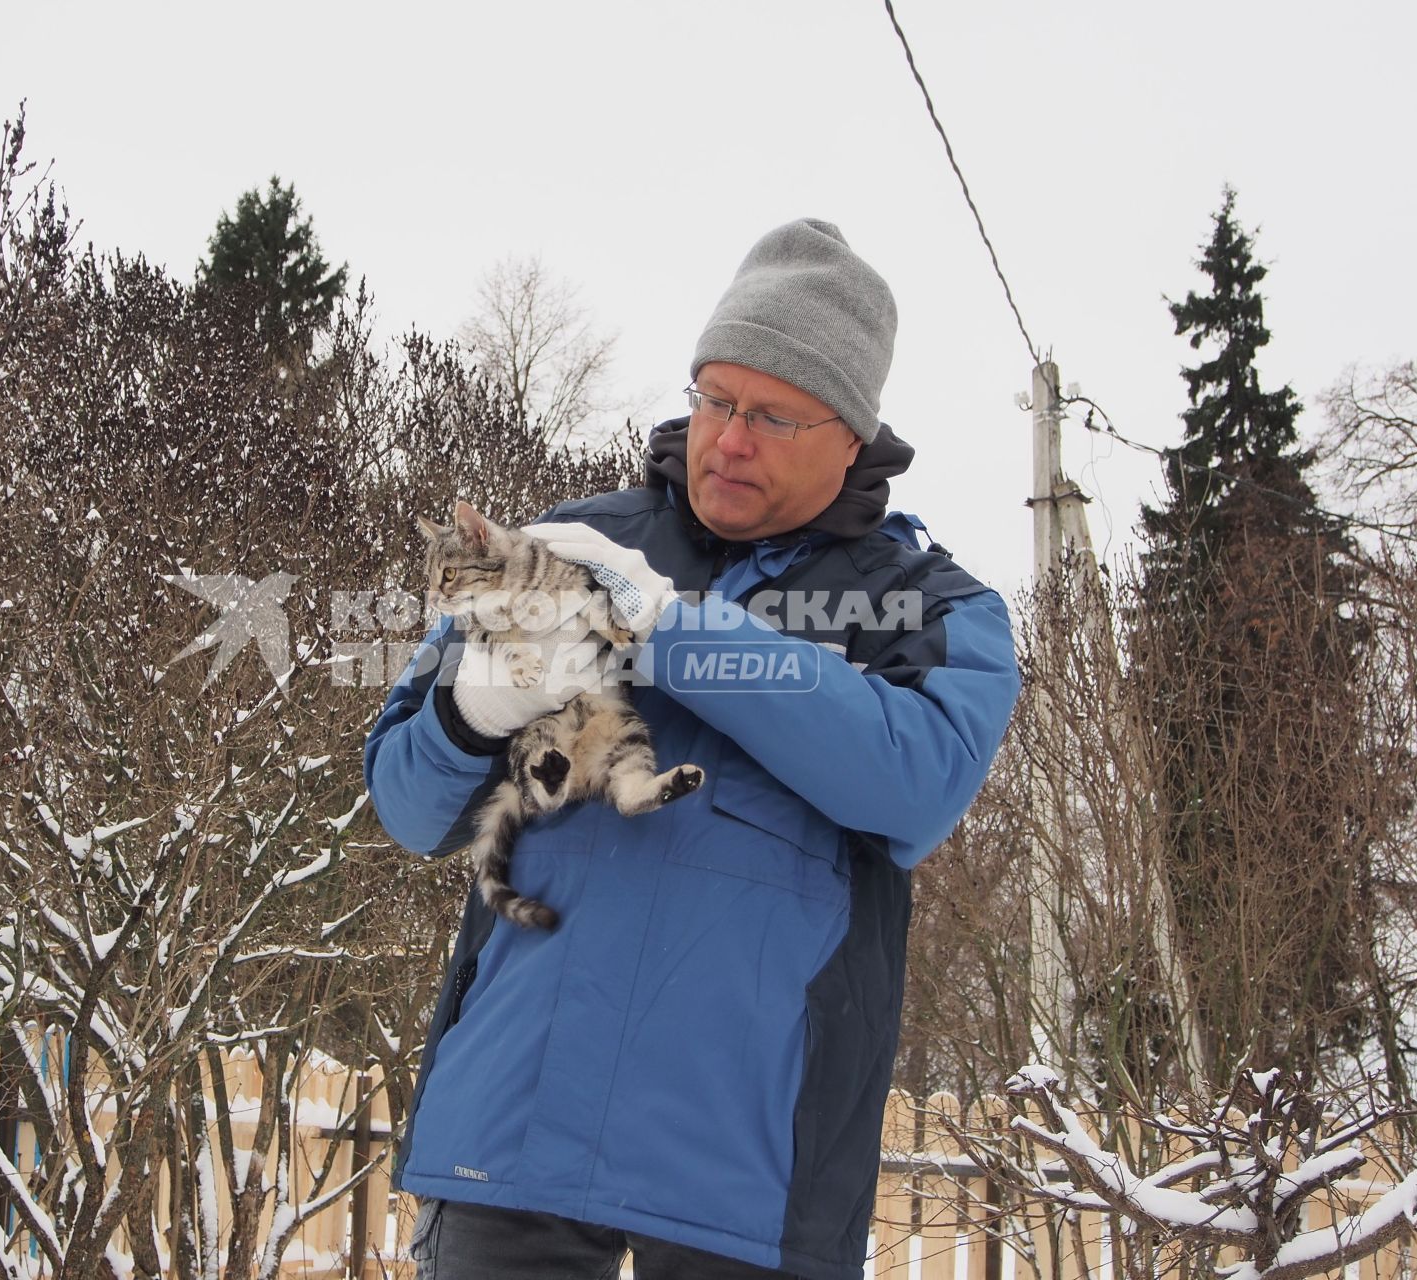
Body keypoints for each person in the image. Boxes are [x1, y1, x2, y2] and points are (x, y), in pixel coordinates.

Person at [362, 219, 1022, 1280]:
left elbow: (917, 780)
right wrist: (472, 710)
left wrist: (669, 628)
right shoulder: (568, 544)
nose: (728, 437)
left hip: (745, 1193)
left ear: (850, 431)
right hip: (507, 1155)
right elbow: (401, 803)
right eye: (714, 397)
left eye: (770, 413)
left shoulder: (934, 607)